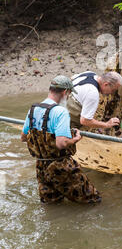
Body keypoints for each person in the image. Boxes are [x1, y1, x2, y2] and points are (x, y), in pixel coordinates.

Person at [21, 75, 102, 204]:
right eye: (69, 94)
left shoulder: (33, 109)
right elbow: (61, 143)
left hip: (41, 167)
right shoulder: (61, 112)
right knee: (93, 200)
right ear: (65, 92)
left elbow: (23, 137)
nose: (69, 97)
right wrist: (76, 138)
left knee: (51, 204)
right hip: (61, 166)